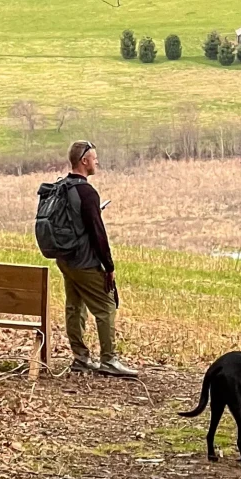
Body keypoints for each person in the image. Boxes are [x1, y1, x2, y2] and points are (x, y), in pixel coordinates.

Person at [55, 140, 138, 377]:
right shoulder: (87, 192)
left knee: (75, 306)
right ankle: (109, 360)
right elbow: (97, 233)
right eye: (94, 158)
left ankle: (80, 358)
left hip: (65, 259)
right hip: (84, 261)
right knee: (106, 306)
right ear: (84, 161)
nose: (97, 161)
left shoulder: (62, 187)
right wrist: (108, 265)